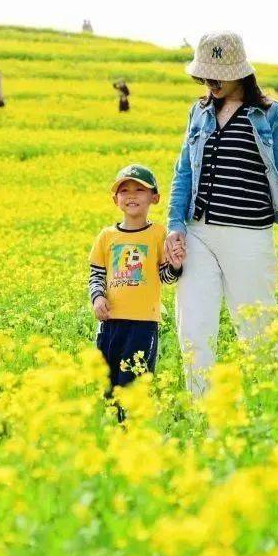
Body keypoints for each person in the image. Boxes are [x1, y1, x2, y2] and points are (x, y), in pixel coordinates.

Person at [165, 31, 278, 397]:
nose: (209, 82)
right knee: (194, 331)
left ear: (239, 72)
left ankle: (269, 412)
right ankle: (204, 417)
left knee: (258, 331)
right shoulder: (198, 112)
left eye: (217, 75)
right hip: (198, 234)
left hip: (249, 236)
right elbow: (183, 172)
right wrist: (175, 226)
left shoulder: (271, 115)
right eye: (204, 75)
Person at [89, 164, 182, 417]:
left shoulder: (159, 233)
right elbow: (96, 276)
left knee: (133, 386)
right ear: (115, 200)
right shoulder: (106, 236)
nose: (131, 195)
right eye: (124, 190)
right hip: (110, 325)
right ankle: (111, 434)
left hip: (143, 324)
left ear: (155, 197)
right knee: (107, 386)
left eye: (139, 189)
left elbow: (165, 277)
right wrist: (97, 299)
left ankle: (131, 435)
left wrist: (175, 266)